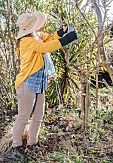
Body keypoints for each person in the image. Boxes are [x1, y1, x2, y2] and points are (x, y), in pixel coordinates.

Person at [10, 11, 78, 160]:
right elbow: (45, 48)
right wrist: (67, 39)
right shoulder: (26, 41)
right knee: (23, 116)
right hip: (26, 83)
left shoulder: (36, 35)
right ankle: (15, 147)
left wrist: (61, 32)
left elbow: (49, 38)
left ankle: (32, 143)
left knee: (38, 115)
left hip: (39, 82)